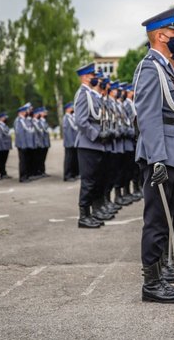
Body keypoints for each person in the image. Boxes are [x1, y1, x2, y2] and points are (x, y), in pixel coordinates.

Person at [133, 7, 174, 303]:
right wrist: (156, 158)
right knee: (156, 219)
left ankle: (162, 272)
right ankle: (151, 285)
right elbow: (148, 116)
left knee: (169, 218)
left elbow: (173, 114)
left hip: (173, 151)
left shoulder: (165, 66)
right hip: (162, 155)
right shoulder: (150, 67)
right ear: (160, 35)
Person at [74, 62, 107, 229]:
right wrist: (96, 134)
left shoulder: (92, 95)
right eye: (93, 76)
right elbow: (80, 121)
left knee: (94, 181)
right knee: (88, 182)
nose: (96, 79)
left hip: (95, 145)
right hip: (88, 144)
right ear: (85, 77)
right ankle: (83, 217)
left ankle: (91, 214)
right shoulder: (82, 94)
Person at [14, 102, 35, 183]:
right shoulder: (18, 120)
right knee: (23, 161)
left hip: (26, 144)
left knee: (26, 160)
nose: (27, 113)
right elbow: (19, 134)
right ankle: (22, 177)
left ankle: (27, 175)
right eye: (26, 111)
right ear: (21, 112)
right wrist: (23, 144)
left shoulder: (25, 120)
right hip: (22, 144)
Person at [63, 102, 79, 181]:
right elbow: (72, 129)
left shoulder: (71, 117)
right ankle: (67, 175)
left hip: (73, 141)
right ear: (67, 109)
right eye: (71, 108)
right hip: (69, 142)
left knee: (74, 159)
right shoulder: (67, 117)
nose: (73, 109)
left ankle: (74, 174)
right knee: (69, 159)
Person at [0, 112, 12, 179]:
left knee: (3, 160)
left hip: (6, 145)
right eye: (5, 117)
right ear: (1, 118)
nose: (6, 119)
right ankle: (0, 173)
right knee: (0, 160)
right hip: (2, 145)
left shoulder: (5, 125)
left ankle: (3, 173)